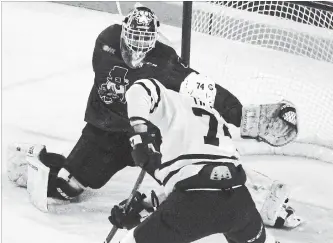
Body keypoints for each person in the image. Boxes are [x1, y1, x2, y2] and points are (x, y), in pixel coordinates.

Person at [7, 5, 301, 229]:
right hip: (104, 131)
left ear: (153, 39)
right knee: (67, 189)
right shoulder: (106, 41)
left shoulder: (164, 60)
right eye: (132, 38)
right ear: (124, 32)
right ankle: (40, 158)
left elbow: (203, 87)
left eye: (143, 41)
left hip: (148, 134)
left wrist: (242, 115)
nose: (135, 48)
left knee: (195, 176)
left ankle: (263, 197)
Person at [56, 78, 324, 243]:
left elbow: (139, 88)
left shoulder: (174, 102)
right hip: (238, 202)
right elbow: (195, 173)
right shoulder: (218, 124)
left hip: (194, 201)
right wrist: (147, 202)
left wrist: (139, 131)